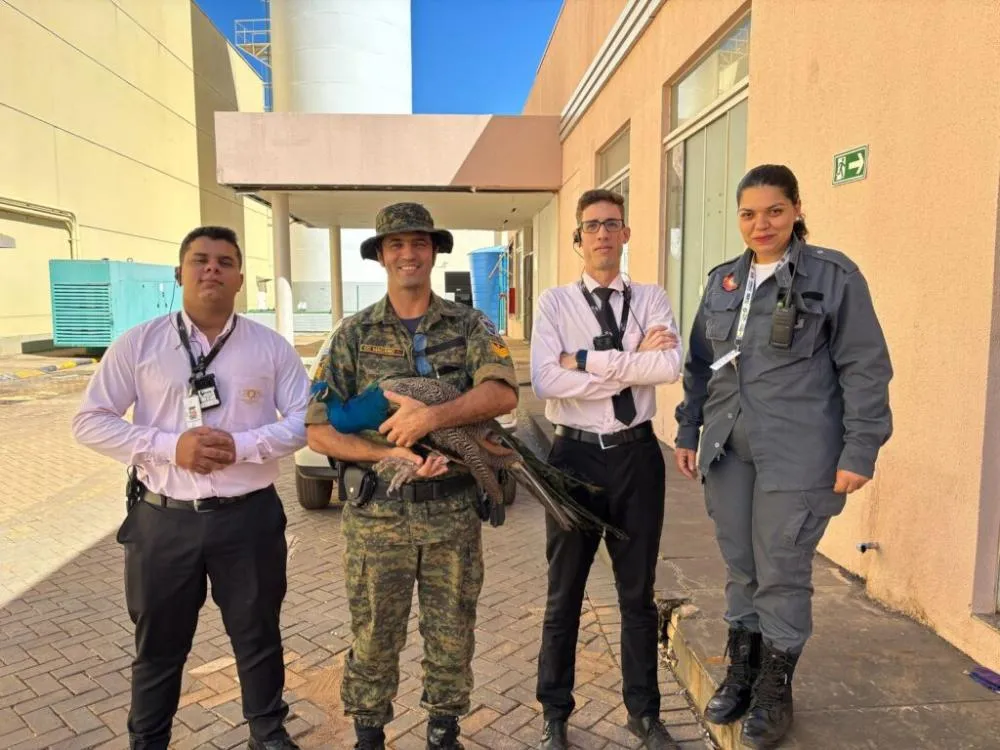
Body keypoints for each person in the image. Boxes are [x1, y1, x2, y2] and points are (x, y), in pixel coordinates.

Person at [674, 164, 893, 748]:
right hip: (728, 450)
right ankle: (743, 671)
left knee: (782, 569)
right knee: (741, 566)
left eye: (774, 211)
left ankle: (776, 687)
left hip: (799, 454)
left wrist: (860, 448)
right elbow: (700, 365)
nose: (761, 224)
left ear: (797, 209)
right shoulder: (724, 282)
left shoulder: (833, 276)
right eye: (749, 214)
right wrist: (688, 429)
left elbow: (864, 367)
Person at [72, 226, 310, 750]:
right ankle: (148, 740)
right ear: (179, 273)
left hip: (248, 519)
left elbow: (304, 421)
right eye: (200, 260)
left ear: (240, 278)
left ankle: (268, 734)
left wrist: (243, 445)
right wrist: (167, 446)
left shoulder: (270, 348)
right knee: (158, 645)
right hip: (164, 520)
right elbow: (90, 420)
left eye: (225, 262)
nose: (212, 270)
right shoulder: (139, 344)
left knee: (258, 636)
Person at [305, 202, 519, 750]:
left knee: (452, 634)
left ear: (433, 252)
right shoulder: (351, 334)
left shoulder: (470, 325)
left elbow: (501, 392)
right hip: (378, 516)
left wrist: (431, 420)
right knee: (374, 634)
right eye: (396, 244)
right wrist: (387, 455)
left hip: (452, 512)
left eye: (419, 243)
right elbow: (319, 430)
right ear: (381, 255)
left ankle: (443, 732)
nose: (408, 254)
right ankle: (369, 734)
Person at [529, 189, 683, 750]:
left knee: (637, 595)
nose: (601, 233)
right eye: (591, 225)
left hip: (637, 458)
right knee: (563, 594)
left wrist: (586, 362)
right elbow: (545, 380)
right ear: (578, 237)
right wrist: (632, 363)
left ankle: (644, 715)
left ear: (625, 234)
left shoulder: (651, 297)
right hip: (573, 459)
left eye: (611, 223)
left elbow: (669, 366)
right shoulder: (554, 303)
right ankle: (554, 715)